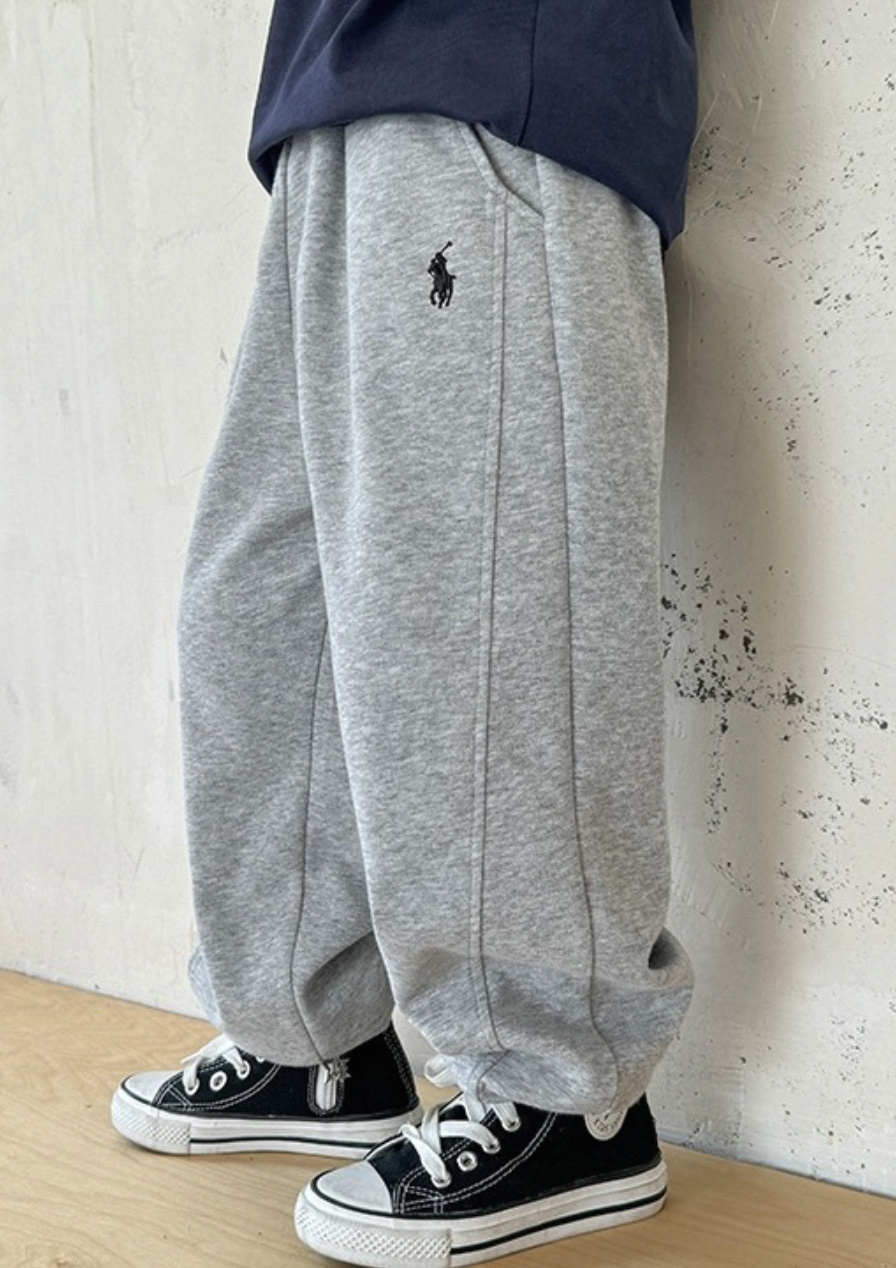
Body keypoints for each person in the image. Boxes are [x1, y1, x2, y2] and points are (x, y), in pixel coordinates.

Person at [110, 2, 700, 1262]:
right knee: (269, 600)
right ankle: (313, 1039)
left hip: (503, 73)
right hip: (332, 87)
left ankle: (568, 1094)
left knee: (473, 605)